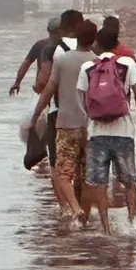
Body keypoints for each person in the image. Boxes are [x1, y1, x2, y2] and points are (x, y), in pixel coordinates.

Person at [77, 28, 136, 235]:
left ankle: (106, 228)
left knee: (99, 183)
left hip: (97, 134)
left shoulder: (87, 68)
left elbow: (82, 102)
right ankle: (133, 224)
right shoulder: (127, 64)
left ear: (97, 45)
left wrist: (91, 123)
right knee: (129, 181)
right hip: (124, 132)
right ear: (116, 42)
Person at [29, 20, 99, 220]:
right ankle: (86, 216)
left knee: (62, 174)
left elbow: (48, 90)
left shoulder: (63, 60)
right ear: (94, 39)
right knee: (86, 175)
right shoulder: (98, 62)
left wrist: (35, 116)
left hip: (67, 124)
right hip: (92, 127)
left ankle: (74, 210)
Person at [33, 10, 83, 171]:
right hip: (90, 116)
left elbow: (44, 84)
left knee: (59, 167)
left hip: (61, 115)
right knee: (85, 168)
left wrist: (34, 117)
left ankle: (64, 197)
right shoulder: (94, 49)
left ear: (63, 26)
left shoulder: (52, 49)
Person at [10, 18, 61, 96]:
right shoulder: (69, 46)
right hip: (61, 89)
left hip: (42, 88)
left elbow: (26, 63)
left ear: (48, 30)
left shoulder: (40, 45)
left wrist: (17, 83)